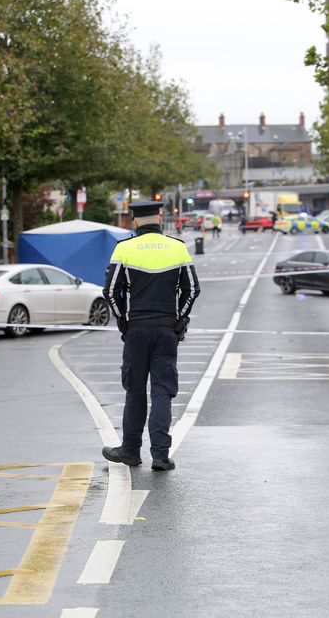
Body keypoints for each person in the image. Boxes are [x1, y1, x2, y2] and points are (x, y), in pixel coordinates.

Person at [102, 200, 201, 471]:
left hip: (136, 330)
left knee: (135, 391)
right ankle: (160, 455)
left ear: (134, 221)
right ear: (159, 218)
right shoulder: (178, 247)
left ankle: (131, 451)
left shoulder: (124, 249)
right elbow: (192, 290)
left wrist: (123, 319)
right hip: (166, 330)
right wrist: (179, 319)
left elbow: (110, 292)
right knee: (162, 392)